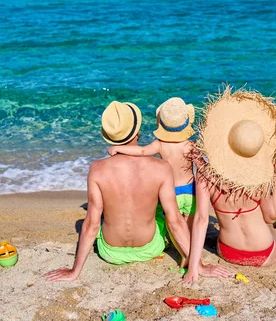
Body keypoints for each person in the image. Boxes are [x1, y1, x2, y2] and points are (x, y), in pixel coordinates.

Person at [45, 100, 231, 282]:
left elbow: (91, 225)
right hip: (150, 247)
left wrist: (74, 271)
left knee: (98, 218)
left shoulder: (96, 169)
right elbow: (174, 221)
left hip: (110, 253)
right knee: (168, 214)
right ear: (137, 132)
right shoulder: (161, 167)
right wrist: (198, 265)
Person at [183, 87, 276, 284]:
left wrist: (193, 268)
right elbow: (271, 215)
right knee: (270, 227)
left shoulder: (205, 176)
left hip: (229, 253)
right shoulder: (258, 177)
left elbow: (200, 220)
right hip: (264, 255)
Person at [108, 97, 197, 232]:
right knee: (189, 219)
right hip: (191, 189)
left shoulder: (160, 144)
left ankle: (175, 241)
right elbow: (203, 166)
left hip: (172, 190)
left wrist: (118, 148)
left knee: (171, 220)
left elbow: (142, 151)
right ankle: (189, 240)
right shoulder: (190, 145)